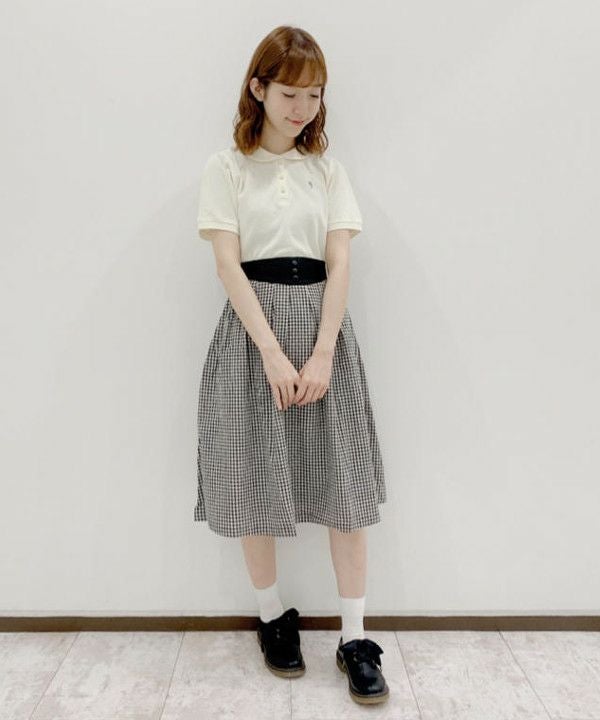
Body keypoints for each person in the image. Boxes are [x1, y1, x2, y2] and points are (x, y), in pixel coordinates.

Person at [193, 25, 389, 704]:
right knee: (254, 478)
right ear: (258, 88)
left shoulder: (327, 170)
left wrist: (323, 350)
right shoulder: (226, 168)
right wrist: (273, 354)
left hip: (324, 330)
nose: (302, 107)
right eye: (289, 93)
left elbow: (340, 260)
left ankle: (355, 637)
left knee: (344, 485)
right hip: (253, 337)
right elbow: (228, 265)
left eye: (314, 94)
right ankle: (273, 616)